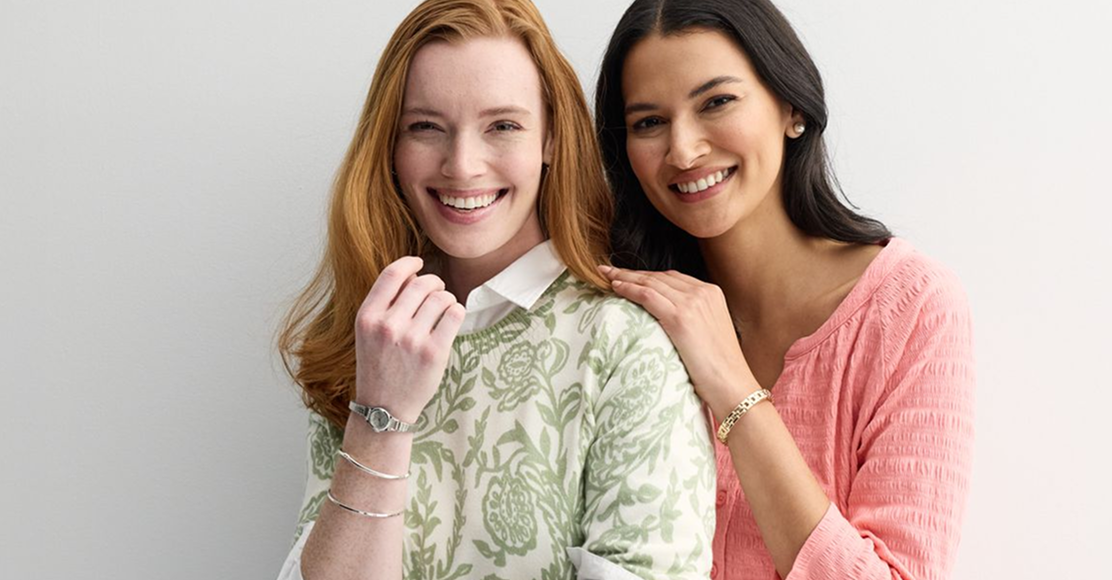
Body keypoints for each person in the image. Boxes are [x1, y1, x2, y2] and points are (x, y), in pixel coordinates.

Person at [274, 0, 715, 579]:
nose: (462, 165)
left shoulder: (623, 347)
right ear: (391, 145)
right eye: (425, 126)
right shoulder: (371, 337)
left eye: (502, 125)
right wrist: (381, 414)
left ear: (551, 138)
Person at [593, 1, 975, 579]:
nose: (683, 149)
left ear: (791, 105)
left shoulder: (913, 309)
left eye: (716, 102)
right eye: (649, 122)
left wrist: (731, 386)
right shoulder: (619, 315)